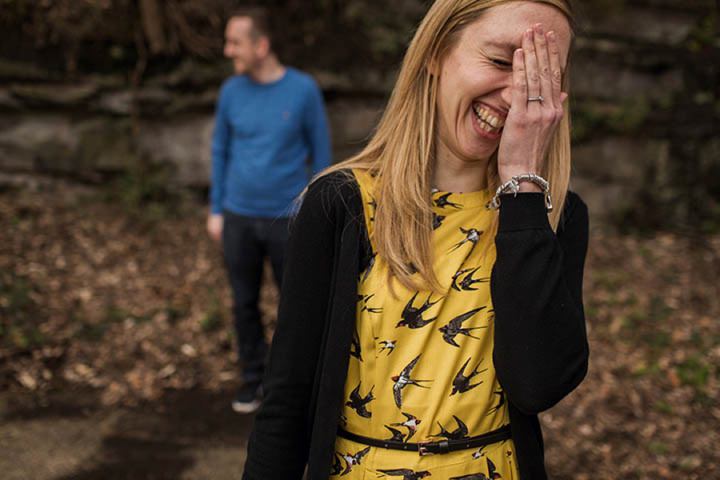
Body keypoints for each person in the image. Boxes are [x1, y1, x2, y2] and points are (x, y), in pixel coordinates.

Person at [243, 0, 588, 478]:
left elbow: (538, 384)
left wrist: (523, 188)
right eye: (500, 61)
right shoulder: (341, 204)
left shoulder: (552, 216)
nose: (516, 95)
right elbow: (286, 402)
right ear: (435, 52)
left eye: (540, 76)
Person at [207, 7, 332, 414]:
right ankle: (252, 381)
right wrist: (216, 209)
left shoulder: (303, 90)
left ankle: (293, 386)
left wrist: (316, 213)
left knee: (294, 304)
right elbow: (221, 150)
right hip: (238, 217)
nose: (229, 51)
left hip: (287, 219)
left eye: (235, 43)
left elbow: (323, 157)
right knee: (243, 303)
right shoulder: (230, 92)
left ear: (261, 46)